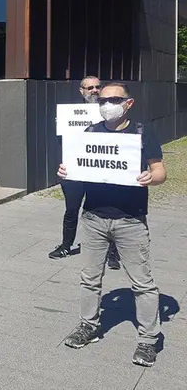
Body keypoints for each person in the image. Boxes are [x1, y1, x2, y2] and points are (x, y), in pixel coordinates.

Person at [58, 82, 166, 367]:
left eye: (114, 99)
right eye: (102, 100)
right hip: (93, 217)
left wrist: (150, 178)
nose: (107, 104)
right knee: (90, 279)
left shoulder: (142, 132)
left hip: (130, 220)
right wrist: (67, 171)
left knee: (142, 283)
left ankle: (148, 340)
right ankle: (88, 326)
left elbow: (160, 171)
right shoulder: (90, 133)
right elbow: (79, 167)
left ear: (128, 103)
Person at [49, 76, 120, 270]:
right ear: (82, 91)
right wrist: (60, 125)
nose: (95, 90)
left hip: (101, 169)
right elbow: (62, 143)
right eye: (90, 88)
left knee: (107, 210)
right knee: (71, 209)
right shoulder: (70, 113)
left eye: (98, 87)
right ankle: (66, 246)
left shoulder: (112, 110)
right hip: (75, 169)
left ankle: (112, 252)